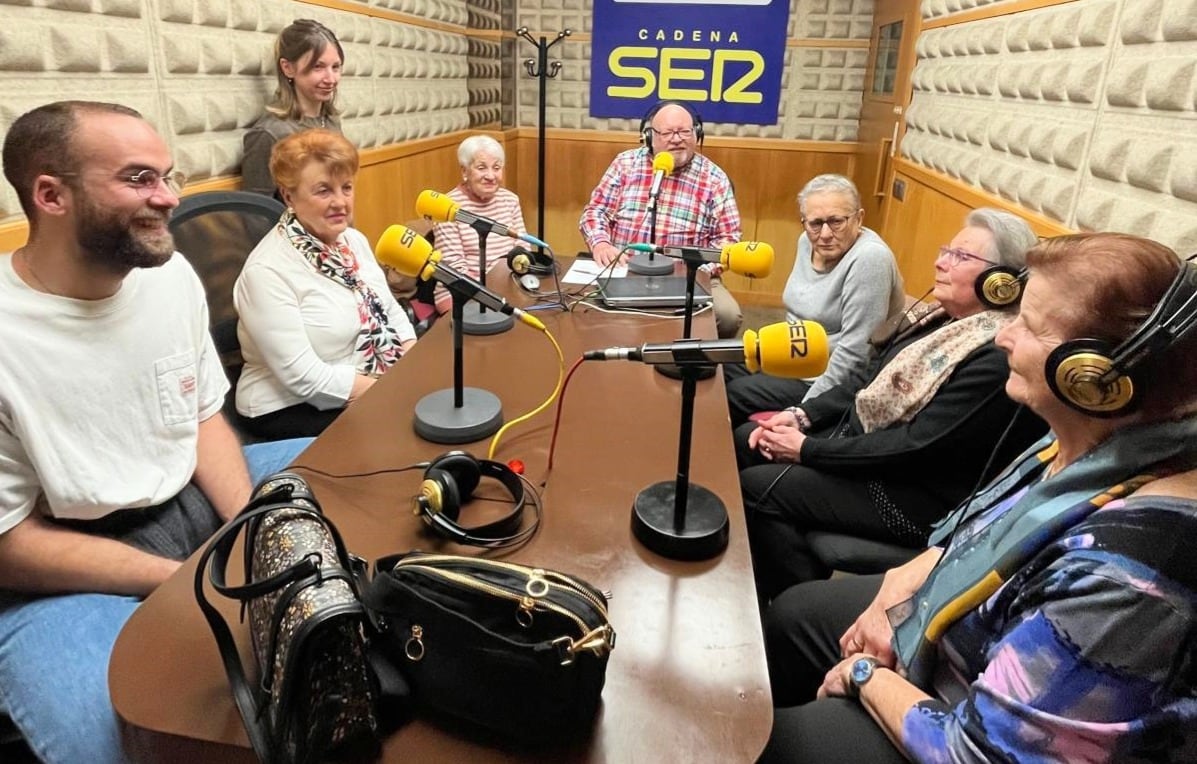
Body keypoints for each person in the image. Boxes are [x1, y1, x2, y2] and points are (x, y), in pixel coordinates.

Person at [760, 232, 1197, 763]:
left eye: (1028, 325)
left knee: (787, 744)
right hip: (959, 635)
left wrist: (862, 676)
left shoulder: (1132, 570)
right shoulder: (1083, 435)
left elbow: (979, 752)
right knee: (793, 617)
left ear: (1095, 376)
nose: (1001, 336)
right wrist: (902, 580)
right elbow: (975, 531)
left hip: (968, 731)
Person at [0, 101, 307, 764]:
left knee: (366, 476)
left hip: (187, 499)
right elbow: (10, 543)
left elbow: (199, 421)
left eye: (168, 175)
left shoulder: (166, 276)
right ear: (50, 194)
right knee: (125, 742)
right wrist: (180, 578)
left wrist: (252, 525)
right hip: (63, 564)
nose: (171, 199)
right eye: (140, 179)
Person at [738, 209, 1046, 599]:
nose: (940, 262)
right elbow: (865, 378)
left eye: (961, 257)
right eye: (945, 251)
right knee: (748, 439)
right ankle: (786, 575)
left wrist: (808, 450)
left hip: (914, 493)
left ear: (1003, 283)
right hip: (875, 452)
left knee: (756, 487)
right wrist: (801, 415)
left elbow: (917, 446)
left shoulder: (996, 356)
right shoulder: (941, 319)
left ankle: (788, 603)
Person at [234, 129, 418, 440]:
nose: (340, 202)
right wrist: (392, 393)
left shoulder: (353, 241)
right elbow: (303, 376)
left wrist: (415, 365)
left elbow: (389, 311)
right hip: (291, 405)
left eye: (346, 188)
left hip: (365, 377)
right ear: (289, 195)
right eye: (323, 191)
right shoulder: (265, 272)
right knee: (406, 432)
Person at [726, 174, 904, 427]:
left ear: (859, 218)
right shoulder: (806, 242)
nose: (825, 234)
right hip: (789, 354)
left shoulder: (870, 260)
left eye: (836, 222)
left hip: (821, 375)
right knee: (716, 370)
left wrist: (804, 412)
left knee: (735, 394)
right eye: (815, 223)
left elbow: (855, 354)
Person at [578, 100, 743, 339]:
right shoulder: (625, 164)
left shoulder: (714, 178)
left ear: (697, 134)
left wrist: (696, 268)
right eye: (667, 132)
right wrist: (601, 243)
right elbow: (595, 212)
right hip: (626, 267)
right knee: (580, 309)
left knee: (728, 315)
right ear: (649, 136)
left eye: (684, 131)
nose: (677, 139)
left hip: (689, 273)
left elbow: (729, 238)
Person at [427, 134, 528, 315]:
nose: (490, 176)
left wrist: (513, 280)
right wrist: (497, 294)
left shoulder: (510, 200)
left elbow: (522, 247)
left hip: (507, 289)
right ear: (465, 171)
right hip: (460, 294)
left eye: (496, 168)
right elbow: (455, 271)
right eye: (481, 168)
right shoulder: (447, 208)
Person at [242, 19, 344, 198]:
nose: (331, 79)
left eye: (335, 67)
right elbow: (257, 216)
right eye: (318, 67)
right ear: (288, 68)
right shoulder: (269, 133)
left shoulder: (331, 122)